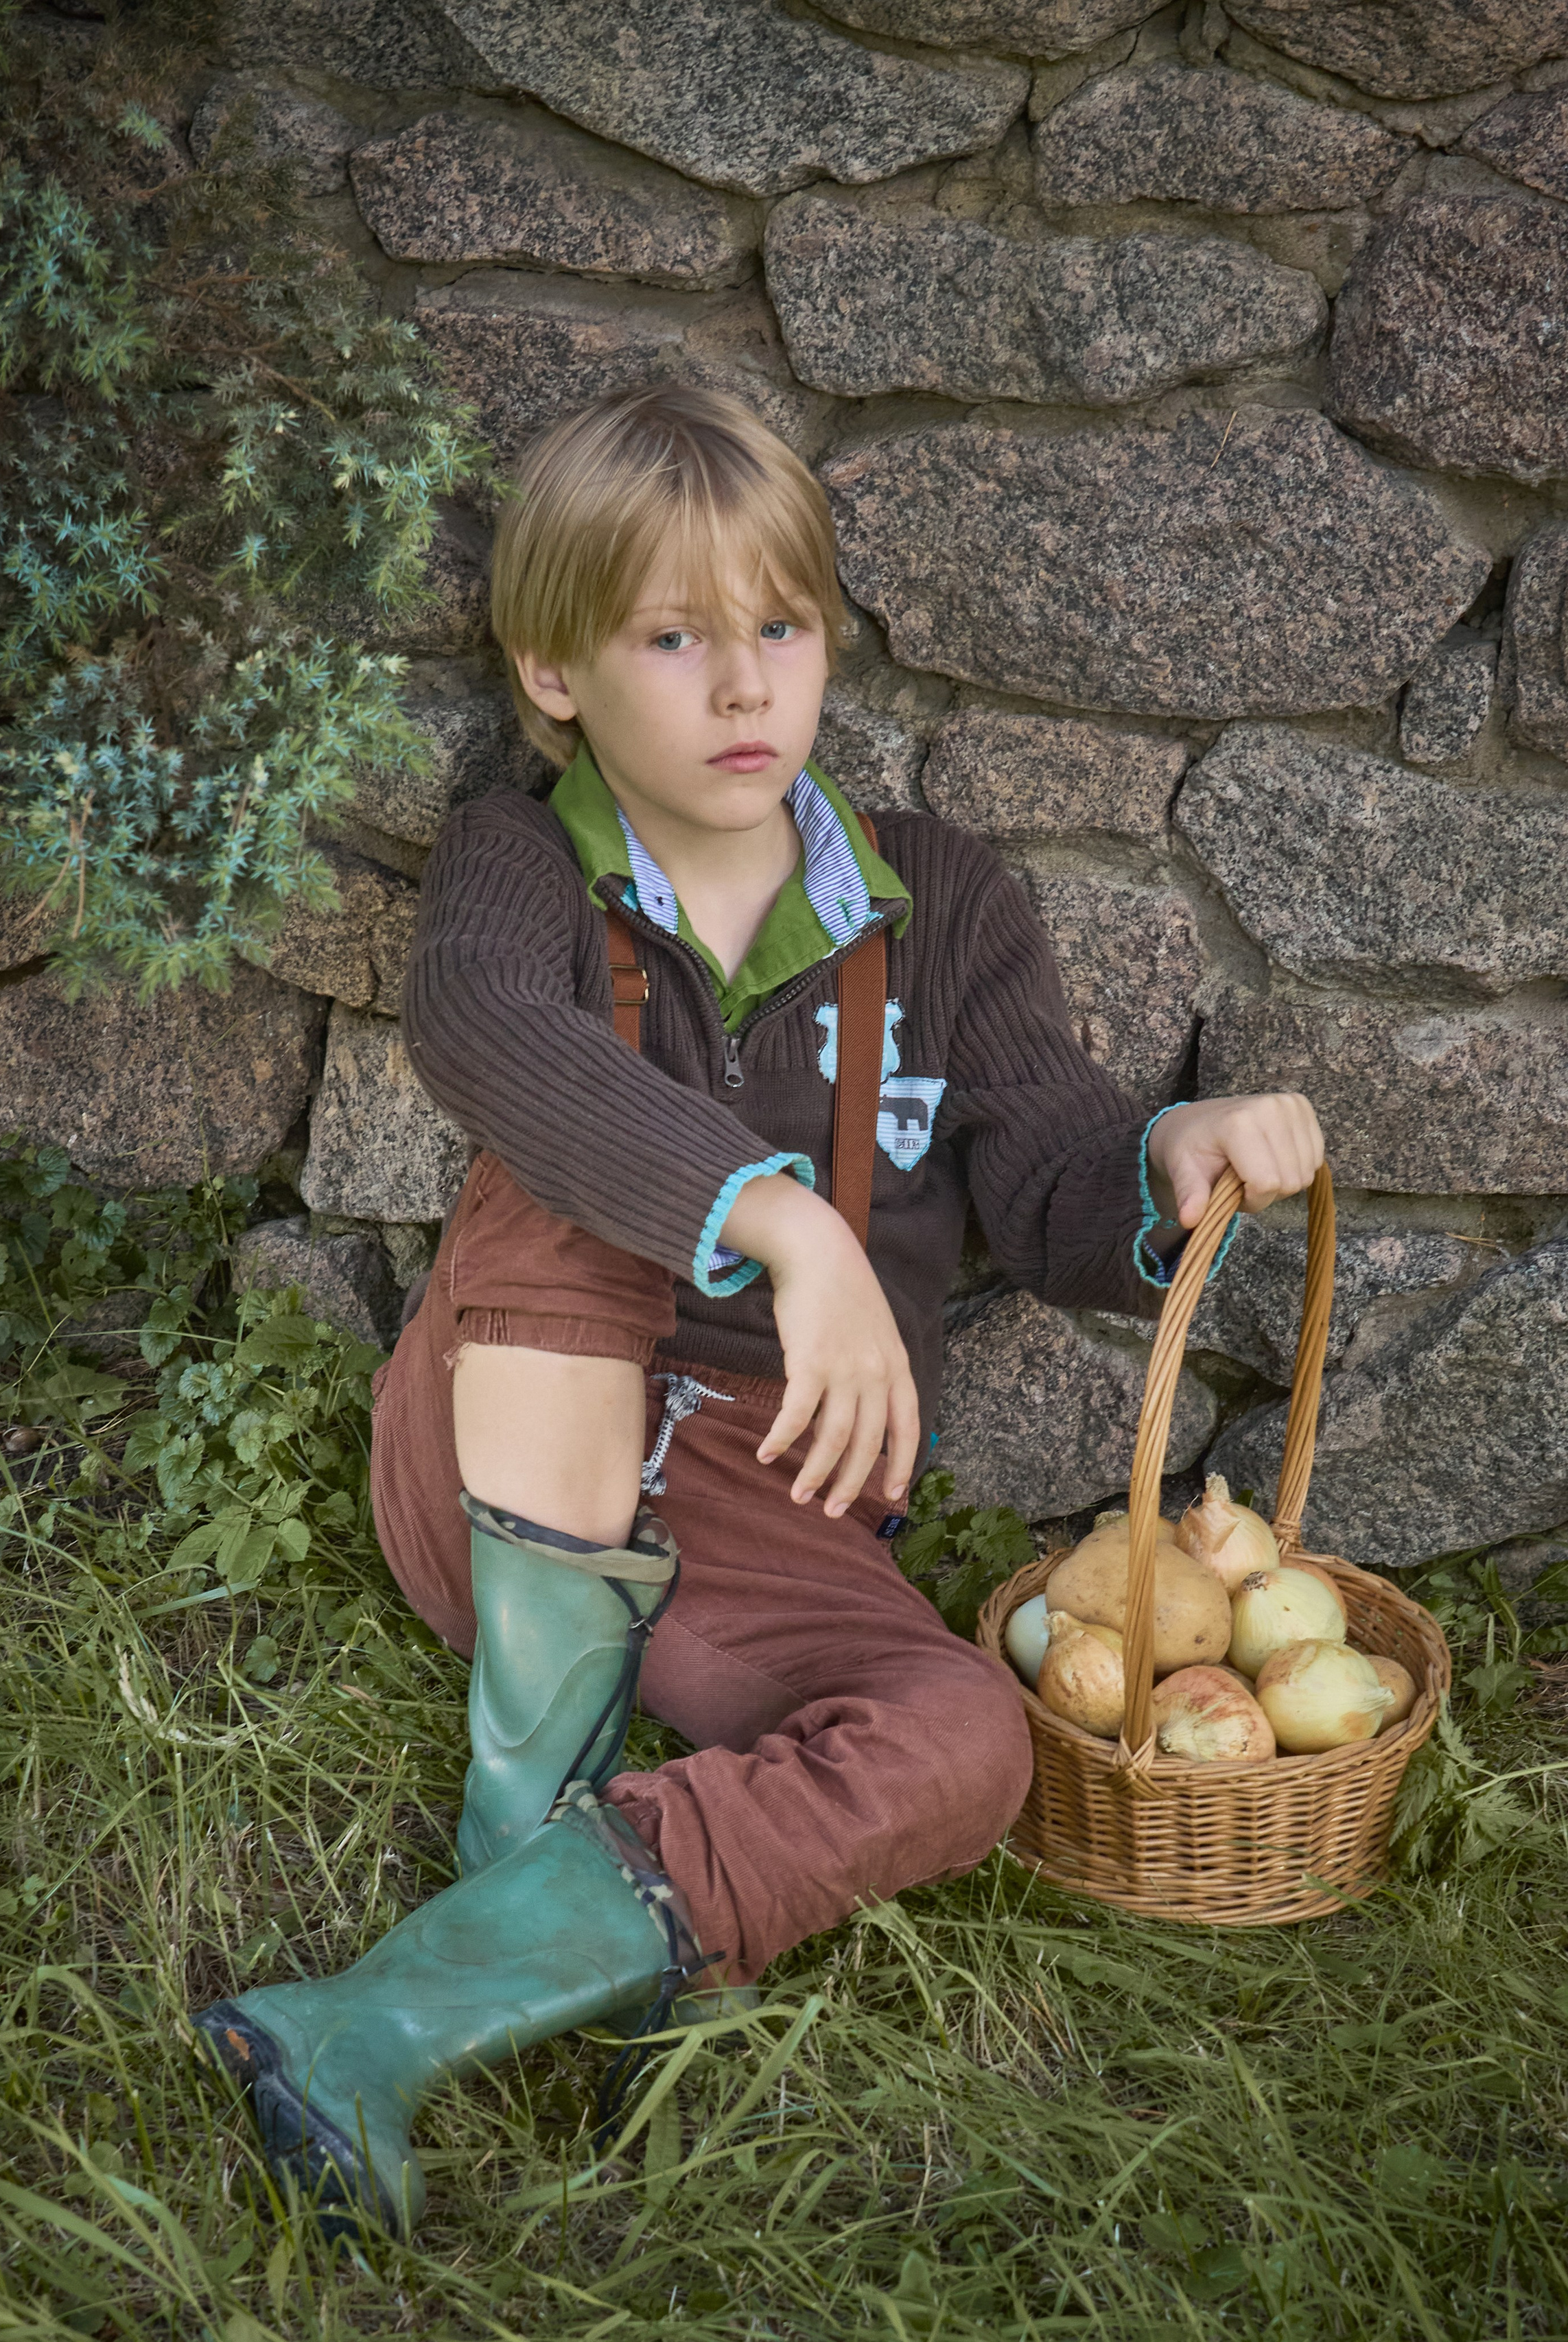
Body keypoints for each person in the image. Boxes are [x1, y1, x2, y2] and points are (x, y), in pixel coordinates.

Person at [193, 383, 1326, 2235]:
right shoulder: (522, 862)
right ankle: (532, 1834)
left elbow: (1044, 1165)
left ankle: (416, 1999)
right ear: (557, 672)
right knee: (565, 1194)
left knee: (966, 1738)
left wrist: (1167, 1153)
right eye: (673, 638)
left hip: (764, 1508)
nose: (743, 689)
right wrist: (779, 1221)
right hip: (496, 1457)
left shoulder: (943, 905)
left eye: (779, 630)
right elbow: (493, 1036)